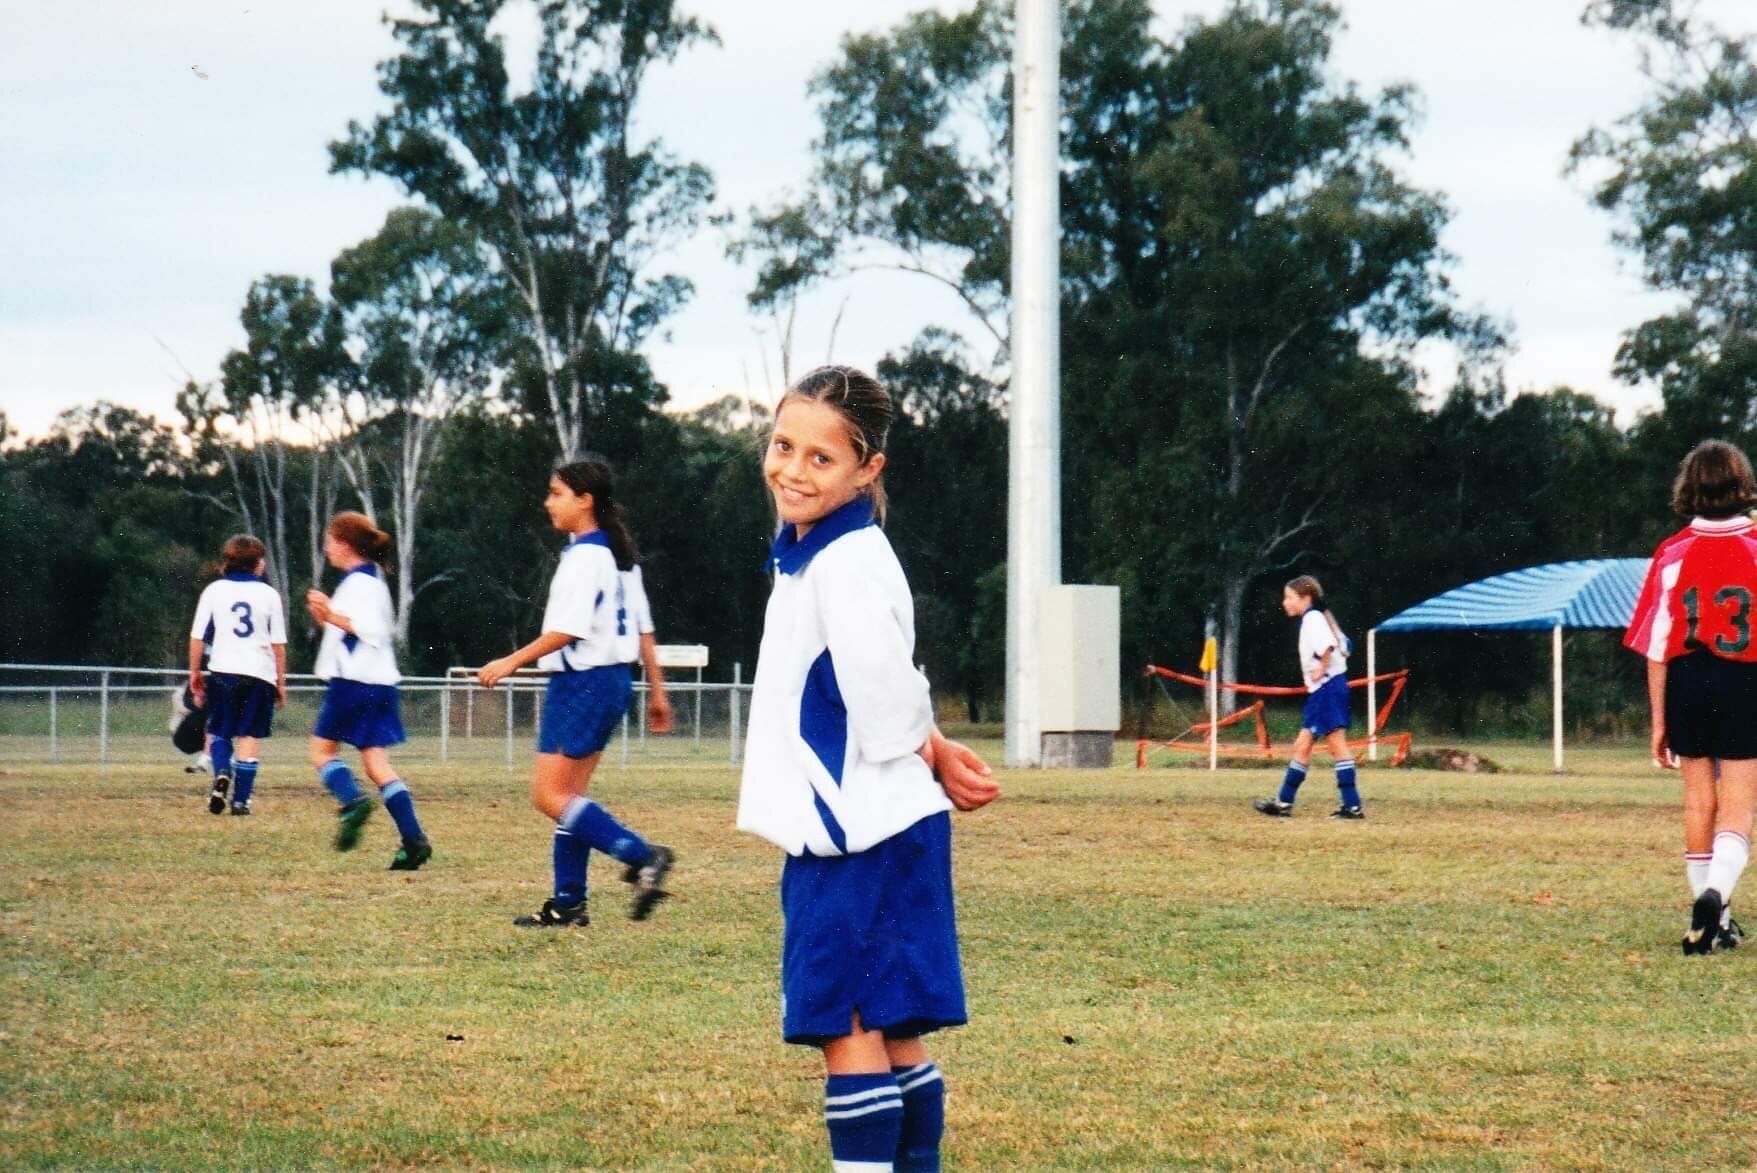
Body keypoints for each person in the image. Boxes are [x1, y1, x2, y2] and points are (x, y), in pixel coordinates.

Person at [737, 365, 1000, 1173]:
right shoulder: (832, 551)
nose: (792, 469)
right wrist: (938, 746)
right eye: (783, 445)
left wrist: (925, 744)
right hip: (890, 820)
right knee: (892, 1022)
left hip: (849, 833)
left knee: (847, 1022)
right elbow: (890, 679)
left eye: (822, 458)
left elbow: (881, 694)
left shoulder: (843, 561)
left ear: (867, 470)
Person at [477, 459, 676, 927]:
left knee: (549, 795)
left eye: (557, 493)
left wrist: (510, 661)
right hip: (608, 681)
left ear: (585, 500)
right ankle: (569, 903)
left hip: (584, 683)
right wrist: (657, 691)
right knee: (570, 796)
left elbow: (568, 630)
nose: (548, 502)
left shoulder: (588, 558)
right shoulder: (616, 557)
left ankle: (643, 856)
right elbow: (644, 630)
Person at [1625, 439, 1757, 954]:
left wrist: (1658, 719)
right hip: (1745, 680)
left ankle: (1711, 918)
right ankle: (1717, 895)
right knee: (1738, 805)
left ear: (1690, 490)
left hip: (1686, 680)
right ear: (1742, 485)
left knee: (1698, 800)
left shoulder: (1672, 553)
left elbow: (1655, 646)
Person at [305, 511, 431, 870]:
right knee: (377, 764)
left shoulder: (361, 584)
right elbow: (351, 631)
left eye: (329, 540)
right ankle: (414, 840)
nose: (326, 548)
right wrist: (325, 616)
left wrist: (331, 615)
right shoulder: (365, 581)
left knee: (321, 753)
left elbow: (370, 629)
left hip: (355, 683)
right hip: (377, 683)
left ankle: (352, 801)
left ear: (345, 544)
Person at [188, 535, 286, 816]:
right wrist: (281, 683)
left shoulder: (214, 591)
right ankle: (241, 802)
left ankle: (221, 773)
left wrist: (195, 671)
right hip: (259, 673)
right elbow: (278, 645)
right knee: (249, 737)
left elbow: (197, 637)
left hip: (223, 670)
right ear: (257, 564)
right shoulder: (269, 594)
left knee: (219, 731)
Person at [1253, 575, 1362, 819]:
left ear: (1306, 598)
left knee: (1333, 745)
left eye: (1289, 597)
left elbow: (1328, 646)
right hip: (1329, 689)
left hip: (1326, 689)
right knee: (1304, 746)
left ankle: (1350, 806)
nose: (1285, 602)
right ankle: (1285, 803)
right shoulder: (1318, 617)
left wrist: (1322, 666)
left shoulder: (1312, 618)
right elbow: (1345, 644)